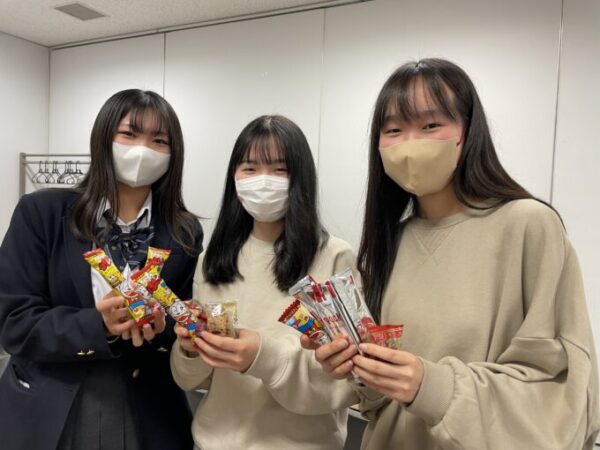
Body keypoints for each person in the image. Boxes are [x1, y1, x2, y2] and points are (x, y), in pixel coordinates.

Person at [307, 58, 600, 449]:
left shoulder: (528, 226)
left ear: (468, 130)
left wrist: (432, 386)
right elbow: (379, 402)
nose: (410, 144)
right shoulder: (390, 242)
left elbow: (561, 393)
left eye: (431, 125)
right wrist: (354, 369)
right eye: (393, 130)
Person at [0, 89, 203, 450]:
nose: (143, 149)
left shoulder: (182, 231)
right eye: (129, 134)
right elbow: (12, 322)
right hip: (52, 403)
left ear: (174, 154)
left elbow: (178, 321)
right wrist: (99, 325)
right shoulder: (42, 213)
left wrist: (166, 328)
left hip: (146, 408)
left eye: (159, 140)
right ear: (103, 138)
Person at [170, 115, 358, 449]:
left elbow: (345, 382)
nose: (263, 181)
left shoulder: (334, 257)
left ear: (301, 178)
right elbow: (191, 380)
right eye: (250, 168)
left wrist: (261, 356)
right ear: (234, 177)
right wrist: (189, 348)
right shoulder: (212, 261)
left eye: (279, 169)